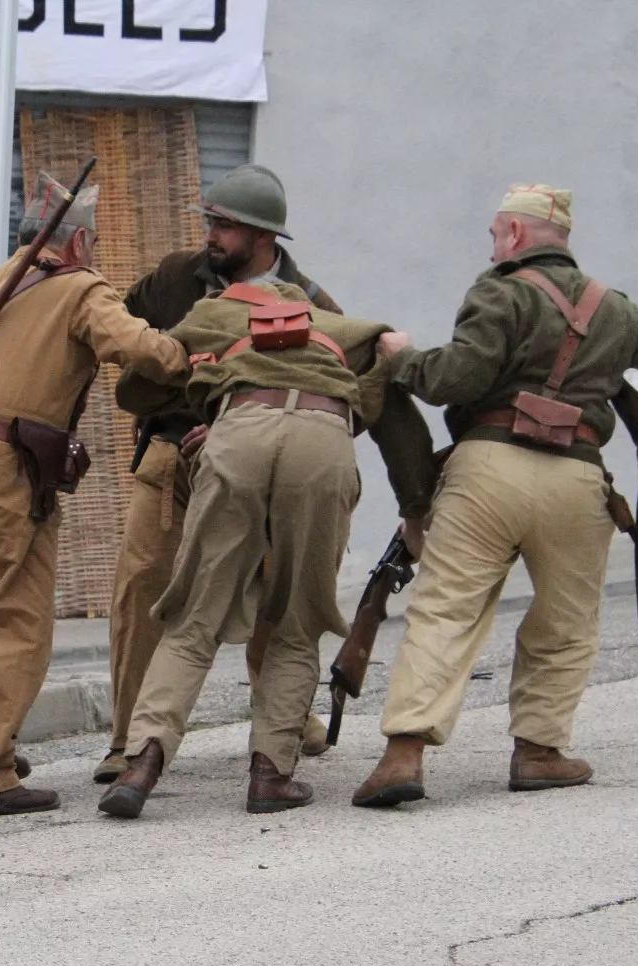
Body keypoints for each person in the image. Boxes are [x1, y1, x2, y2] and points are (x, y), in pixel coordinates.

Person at [352, 185, 638, 808]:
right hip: (577, 478)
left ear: (514, 233)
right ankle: (539, 752)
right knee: (567, 620)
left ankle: (403, 754)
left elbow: (455, 378)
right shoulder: (620, 313)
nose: (492, 246)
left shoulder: (500, 291)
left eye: (494, 234)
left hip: (488, 468)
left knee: (446, 608)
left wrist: (403, 358)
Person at [0, 175, 189, 819]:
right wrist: (193, 355)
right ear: (78, 240)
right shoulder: (79, 288)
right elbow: (139, 349)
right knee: (23, 620)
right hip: (6, 469)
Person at [98, 282, 437, 818]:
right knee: (297, 621)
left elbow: (135, 391)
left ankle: (141, 764)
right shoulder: (353, 332)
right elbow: (399, 425)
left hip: (240, 434)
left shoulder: (213, 312)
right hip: (324, 442)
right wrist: (416, 507)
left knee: (192, 616)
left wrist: (210, 392)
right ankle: (270, 776)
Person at [97, 164, 345, 785]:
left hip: (259, 469)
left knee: (276, 594)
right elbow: (121, 333)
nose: (211, 234)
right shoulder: (178, 278)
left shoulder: (312, 302)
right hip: (171, 458)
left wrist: (241, 424)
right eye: (209, 221)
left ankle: (286, 723)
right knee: (143, 592)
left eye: (223, 226)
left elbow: (338, 385)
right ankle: (129, 742)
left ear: (263, 237)